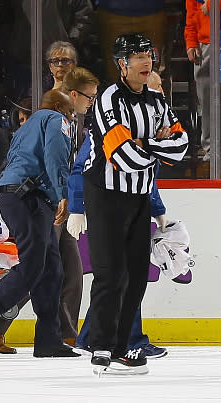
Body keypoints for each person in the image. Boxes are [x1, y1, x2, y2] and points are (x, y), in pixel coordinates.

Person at [82, 34, 188, 373]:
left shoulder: (157, 102)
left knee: (138, 276)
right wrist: (153, 144)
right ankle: (100, 345)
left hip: (140, 197)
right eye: (138, 56)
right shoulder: (107, 99)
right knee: (110, 274)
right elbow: (121, 155)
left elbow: (182, 146)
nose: (146, 62)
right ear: (121, 64)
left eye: (149, 55)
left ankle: (121, 346)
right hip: (106, 196)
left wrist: (142, 142)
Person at [0, 90, 79, 358]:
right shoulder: (57, 120)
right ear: (59, 107)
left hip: (16, 195)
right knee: (35, 265)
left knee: (51, 269)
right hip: (30, 198)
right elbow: (55, 158)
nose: (72, 117)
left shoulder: (28, 126)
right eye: (70, 111)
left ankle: (49, 339)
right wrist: (62, 195)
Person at [68, 68, 171, 360]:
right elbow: (83, 167)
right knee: (117, 277)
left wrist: (159, 211)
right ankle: (125, 339)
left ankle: (96, 336)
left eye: (161, 90)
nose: (160, 96)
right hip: (108, 208)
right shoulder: (113, 125)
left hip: (131, 207)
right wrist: (77, 208)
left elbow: (146, 178)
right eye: (155, 90)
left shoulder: (152, 128)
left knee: (122, 277)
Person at [185, 0, 215, 161]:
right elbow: (192, 13)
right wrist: (191, 42)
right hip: (206, 45)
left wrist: (213, 5)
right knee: (209, 101)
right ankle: (212, 152)